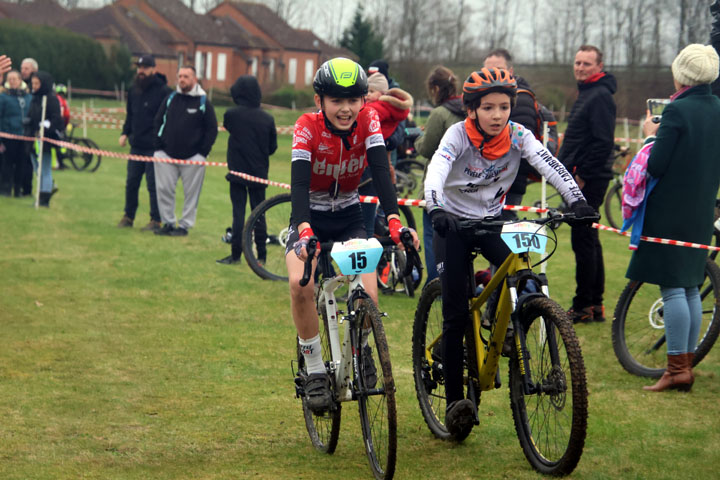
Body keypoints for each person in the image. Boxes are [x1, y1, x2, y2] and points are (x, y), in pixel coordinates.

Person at [423, 67, 594, 440]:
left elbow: (549, 164)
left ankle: (508, 323)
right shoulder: (457, 135)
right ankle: (455, 402)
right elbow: (436, 170)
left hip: (492, 221)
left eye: (504, 107)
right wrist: (435, 208)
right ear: (472, 110)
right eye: (488, 108)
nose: (497, 115)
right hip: (452, 223)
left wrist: (577, 201)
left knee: (522, 271)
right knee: (454, 314)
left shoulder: (519, 135)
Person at [287, 57, 418, 413]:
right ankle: (314, 369)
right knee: (301, 284)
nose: (346, 109)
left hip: (348, 214)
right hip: (309, 215)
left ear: (363, 100)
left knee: (368, 289)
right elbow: (298, 185)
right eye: (336, 100)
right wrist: (303, 231)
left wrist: (394, 220)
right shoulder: (306, 127)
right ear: (320, 101)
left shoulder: (370, 120)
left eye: (353, 100)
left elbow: (380, 171)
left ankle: (362, 352)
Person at [626, 44, 720, 392]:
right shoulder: (716, 107)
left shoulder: (677, 111)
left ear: (682, 73)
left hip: (671, 210)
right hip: (700, 210)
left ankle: (678, 367)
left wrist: (651, 135)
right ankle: (685, 362)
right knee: (691, 285)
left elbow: (656, 164)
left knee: (672, 288)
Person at [557, 45, 617, 324]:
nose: (580, 67)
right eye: (577, 62)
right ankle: (595, 304)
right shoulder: (588, 93)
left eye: (587, 63)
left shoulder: (601, 96)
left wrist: (582, 175)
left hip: (587, 179)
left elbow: (603, 142)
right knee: (589, 240)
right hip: (578, 175)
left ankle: (583, 306)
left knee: (583, 241)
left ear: (599, 66)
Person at [217, 75, 277, 265]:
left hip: (237, 171)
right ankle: (261, 255)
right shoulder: (267, 118)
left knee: (238, 214)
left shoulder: (232, 114)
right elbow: (272, 147)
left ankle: (236, 255)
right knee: (259, 213)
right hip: (259, 172)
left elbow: (229, 128)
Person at [414, 65, 465, 285]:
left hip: (439, 185)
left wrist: (418, 139)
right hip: (463, 183)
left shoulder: (440, 113)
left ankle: (436, 283)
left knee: (432, 236)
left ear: (435, 88)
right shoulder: (469, 109)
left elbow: (426, 148)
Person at [152, 65, 217, 237]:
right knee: (164, 189)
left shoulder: (203, 102)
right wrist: (158, 147)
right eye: (180, 76)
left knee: (191, 194)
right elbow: (158, 121)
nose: (182, 79)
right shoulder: (170, 98)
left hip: (193, 158)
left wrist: (202, 152)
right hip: (166, 155)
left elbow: (212, 129)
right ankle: (168, 223)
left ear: (194, 79)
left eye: (186, 76)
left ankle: (184, 226)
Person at [484, 48, 548, 220]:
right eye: (488, 71)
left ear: (510, 71)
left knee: (505, 225)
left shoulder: (521, 99)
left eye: (498, 70)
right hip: (486, 176)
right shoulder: (483, 96)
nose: (493, 76)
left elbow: (520, 145)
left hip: (509, 178)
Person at [118, 55, 172, 231]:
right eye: (139, 67)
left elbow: (168, 120)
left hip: (154, 147)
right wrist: (125, 133)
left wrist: (163, 141)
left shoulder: (164, 91)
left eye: (145, 68)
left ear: (153, 70)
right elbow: (130, 115)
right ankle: (128, 216)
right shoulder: (134, 90)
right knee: (131, 182)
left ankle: (156, 220)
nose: (141, 71)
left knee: (153, 184)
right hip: (137, 145)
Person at [26, 71, 64, 207]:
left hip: (45, 139)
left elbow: (56, 118)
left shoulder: (51, 99)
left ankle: (44, 199)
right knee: (37, 169)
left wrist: (46, 126)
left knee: (45, 169)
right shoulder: (34, 98)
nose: (34, 86)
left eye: (37, 83)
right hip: (32, 138)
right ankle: (41, 193)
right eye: (33, 83)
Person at [0, 70, 31, 196]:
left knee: (21, 163)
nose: (12, 81)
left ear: (20, 80)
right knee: (7, 163)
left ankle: (18, 189)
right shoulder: (3, 97)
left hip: (24, 136)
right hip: (8, 135)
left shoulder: (28, 97)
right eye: (10, 79)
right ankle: (5, 189)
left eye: (14, 79)